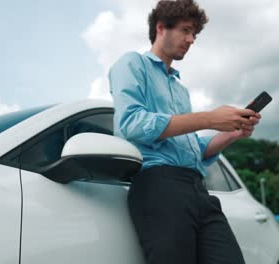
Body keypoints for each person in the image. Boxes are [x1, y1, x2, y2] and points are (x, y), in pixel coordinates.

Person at [108, 0, 261, 263]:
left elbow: (195, 150)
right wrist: (209, 119)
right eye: (186, 31)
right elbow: (132, 123)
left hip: (199, 190)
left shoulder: (181, 90)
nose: (191, 40)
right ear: (161, 28)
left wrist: (232, 132)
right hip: (159, 187)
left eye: (194, 35)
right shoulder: (132, 64)